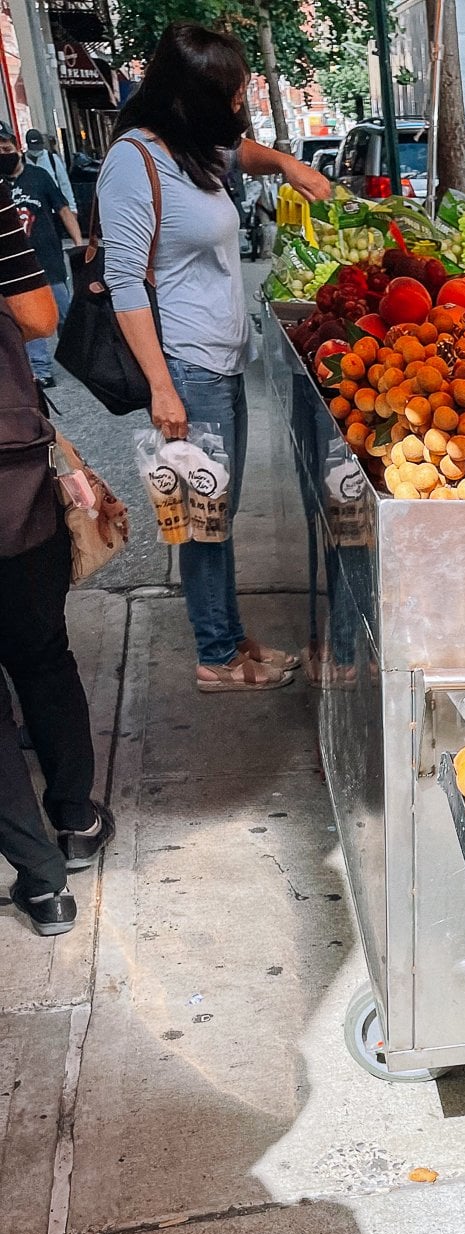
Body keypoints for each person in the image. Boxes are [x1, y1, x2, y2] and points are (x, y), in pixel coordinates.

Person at [97, 22, 330, 693]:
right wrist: (161, 388)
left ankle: (229, 635)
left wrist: (288, 165)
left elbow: (244, 152)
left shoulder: (196, 147)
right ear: (189, 97)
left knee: (219, 515)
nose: (237, 107)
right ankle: (217, 656)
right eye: (230, 96)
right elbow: (124, 284)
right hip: (185, 368)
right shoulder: (135, 162)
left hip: (223, 363)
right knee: (203, 521)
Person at [0, 182, 113, 936]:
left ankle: (42, 886)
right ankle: (74, 820)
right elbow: (41, 315)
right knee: (41, 653)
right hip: (11, 483)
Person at [0, 128, 83, 386]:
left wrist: (79, 244)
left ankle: (81, 357)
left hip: (49, 258)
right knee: (31, 317)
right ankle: (41, 369)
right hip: (20, 266)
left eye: (6, 149)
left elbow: (63, 210)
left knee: (65, 313)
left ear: (17, 147)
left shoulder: (39, 176)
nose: (3, 154)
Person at [26, 128, 75, 207]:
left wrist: (72, 207)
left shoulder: (52, 159)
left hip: (54, 207)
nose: (36, 151)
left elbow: (65, 184)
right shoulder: (22, 161)